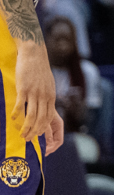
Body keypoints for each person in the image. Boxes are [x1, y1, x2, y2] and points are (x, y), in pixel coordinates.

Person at [43, 16, 106, 162]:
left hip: (74, 134)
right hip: (41, 135)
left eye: (68, 40)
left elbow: (90, 121)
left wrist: (78, 110)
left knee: (87, 152)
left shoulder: (87, 71)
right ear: (46, 40)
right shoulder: (34, 71)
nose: (63, 46)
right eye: (58, 40)